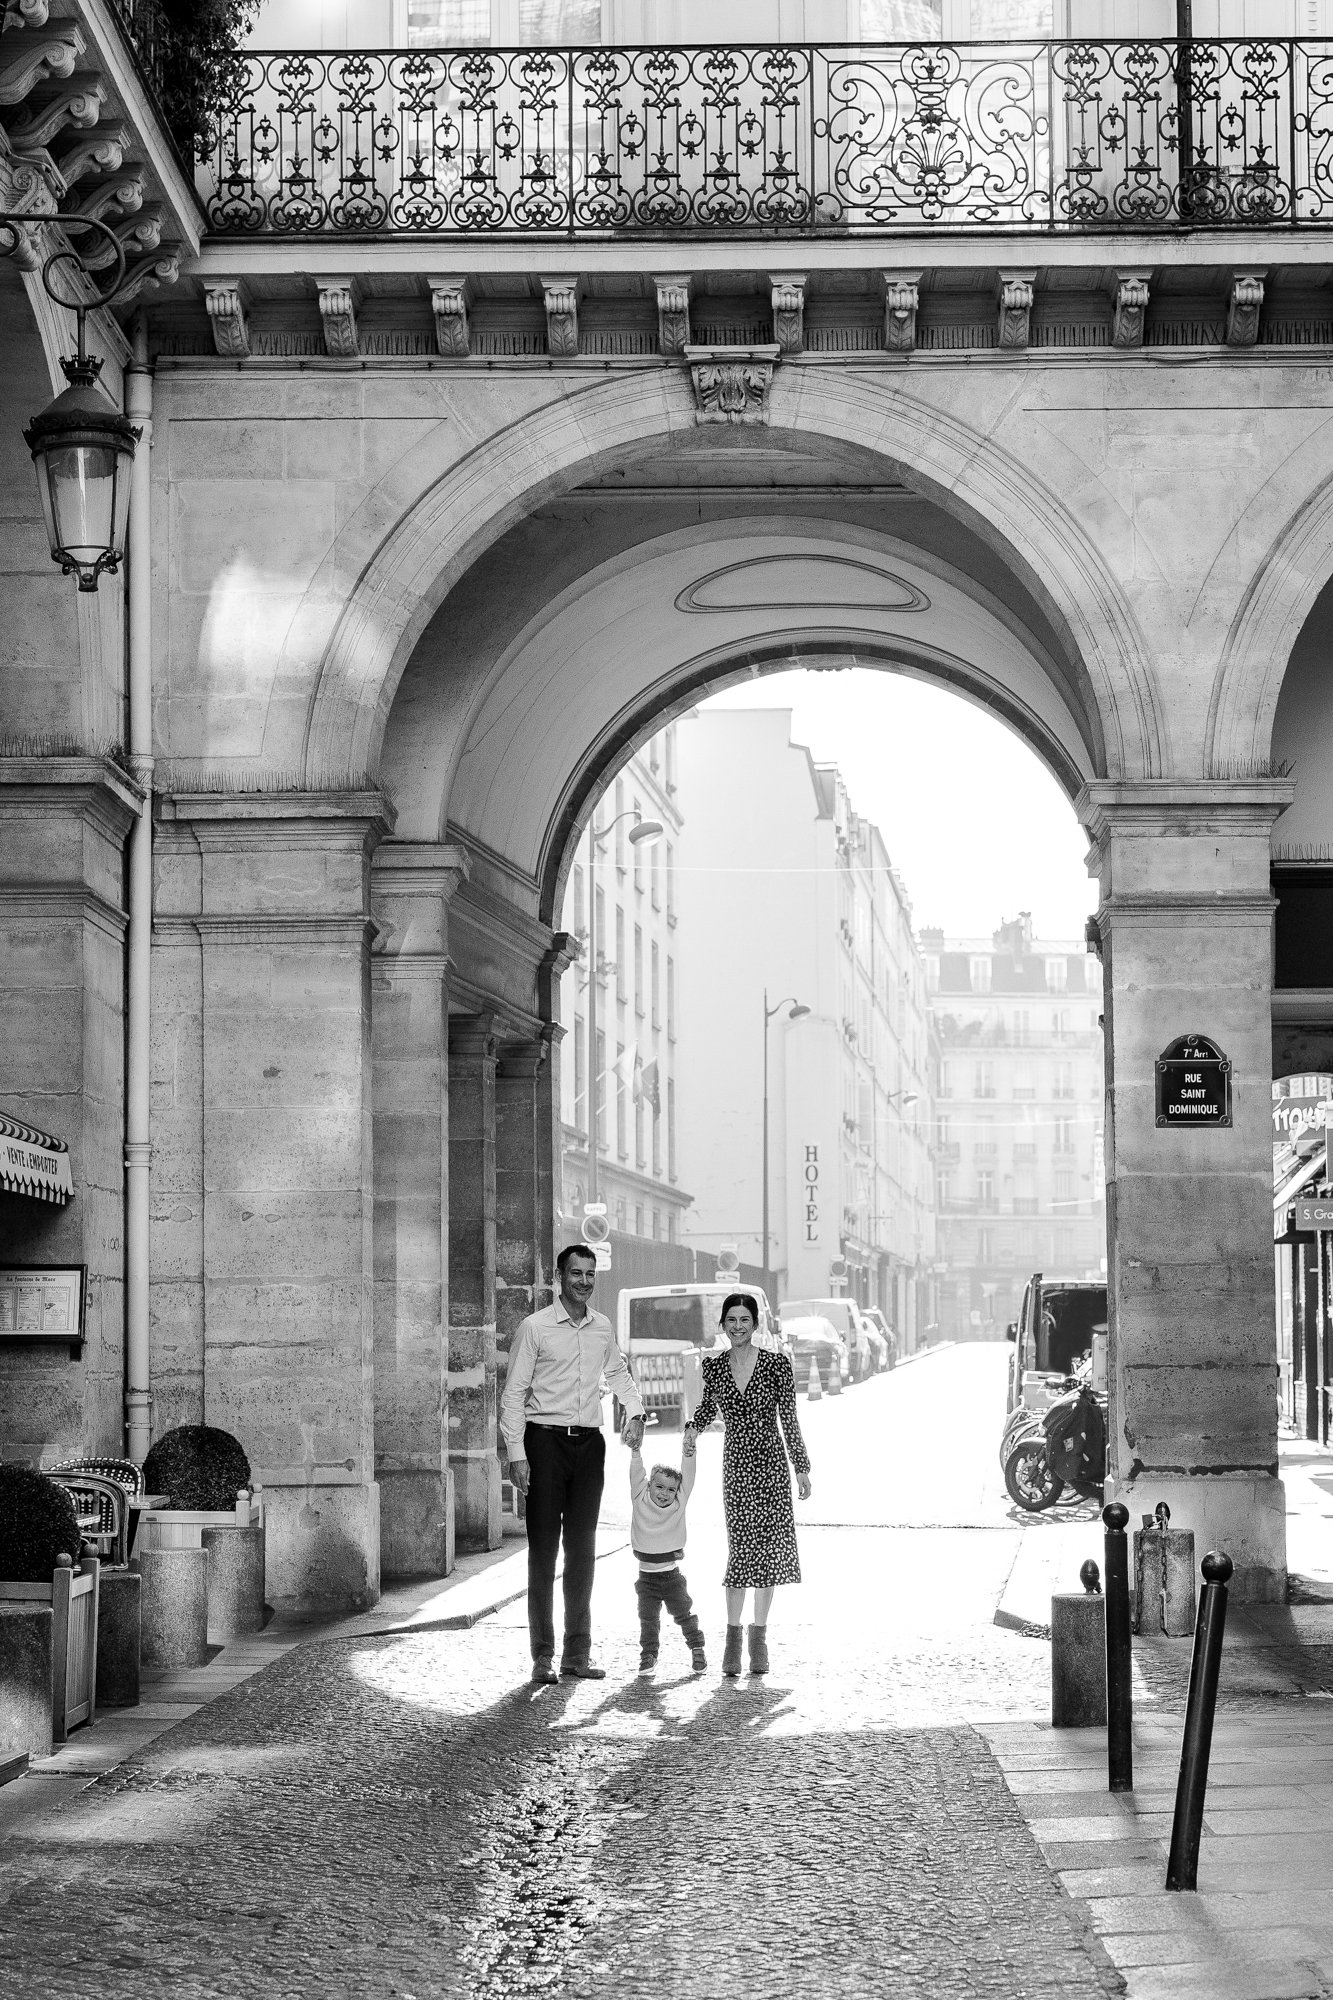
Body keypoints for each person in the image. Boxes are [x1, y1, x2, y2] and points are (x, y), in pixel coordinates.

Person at [501, 1244, 645, 1685]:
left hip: (589, 1448)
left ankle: (576, 1656)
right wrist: (517, 1454)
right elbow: (512, 1395)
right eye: (575, 1273)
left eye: (589, 1274)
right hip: (543, 1445)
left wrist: (635, 1411)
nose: (583, 1281)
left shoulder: (601, 1328)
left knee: (582, 1554)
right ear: (559, 1277)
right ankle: (542, 1656)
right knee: (543, 1553)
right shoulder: (536, 1328)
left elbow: (618, 1373)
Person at [683, 1291, 811, 1678]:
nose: (737, 1326)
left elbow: (788, 1418)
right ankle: (733, 1640)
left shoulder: (777, 1365)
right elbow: (707, 1408)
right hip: (736, 1462)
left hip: (771, 1463)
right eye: (731, 1320)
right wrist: (693, 1427)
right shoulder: (715, 1367)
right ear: (722, 1325)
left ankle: (759, 1640)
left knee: (769, 1553)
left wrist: (801, 1467)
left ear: (756, 1325)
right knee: (740, 1551)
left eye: (744, 1320)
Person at [629, 1432, 706, 1675]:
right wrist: (635, 1451)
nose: (664, 1493)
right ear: (649, 1485)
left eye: (671, 1489)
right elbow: (636, 1472)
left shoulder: (678, 1504)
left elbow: (689, 1476)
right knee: (648, 1620)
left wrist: (688, 1453)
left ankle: (697, 1648)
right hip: (646, 1579)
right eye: (659, 1486)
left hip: (672, 1577)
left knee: (684, 1614)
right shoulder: (639, 1497)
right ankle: (648, 1656)